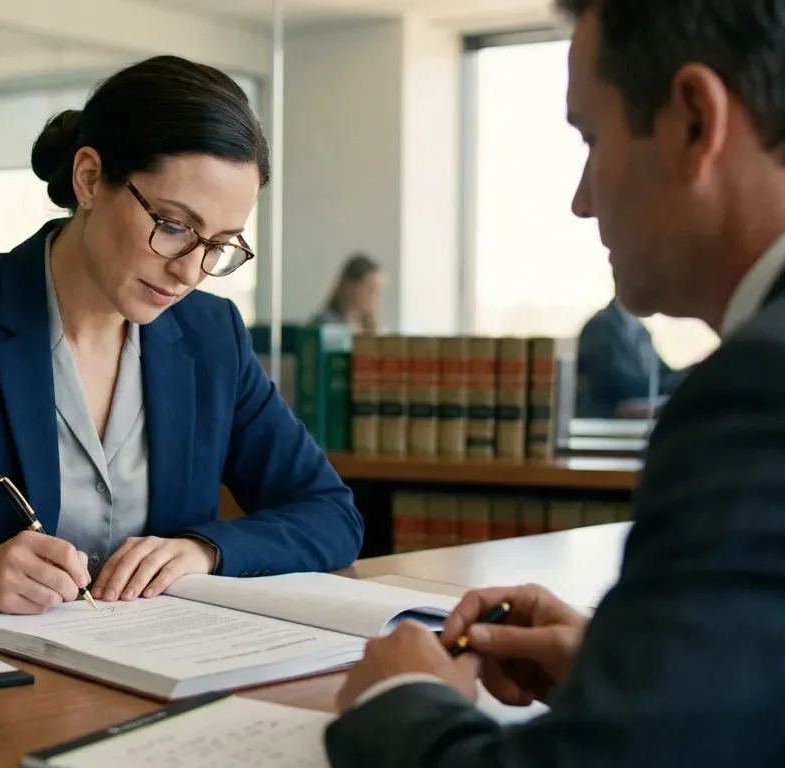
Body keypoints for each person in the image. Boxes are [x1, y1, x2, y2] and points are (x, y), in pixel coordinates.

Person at [326, 0, 785, 765]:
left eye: (591, 138)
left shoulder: (755, 391)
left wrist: (399, 697)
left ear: (694, 122)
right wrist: (633, 668)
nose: (581, 199)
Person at [0, 55, 364, 624]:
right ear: (89, 179)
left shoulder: (212, 335)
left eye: (221, 243)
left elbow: (330, 514)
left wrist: (203, 550)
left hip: (161, 673)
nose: (191, 270)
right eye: (175, 226)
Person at [574, 298, 685, 417]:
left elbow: (662, 372)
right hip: (610, 420)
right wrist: (669, 385)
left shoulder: (638, 327)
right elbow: (614, 388)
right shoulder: (601, 327)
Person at [312, 253, 382, 333]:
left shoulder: (370, 326)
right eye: (370, 287)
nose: (375, 294)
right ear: (351, 287)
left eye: (378, 289)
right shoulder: (326, 323)